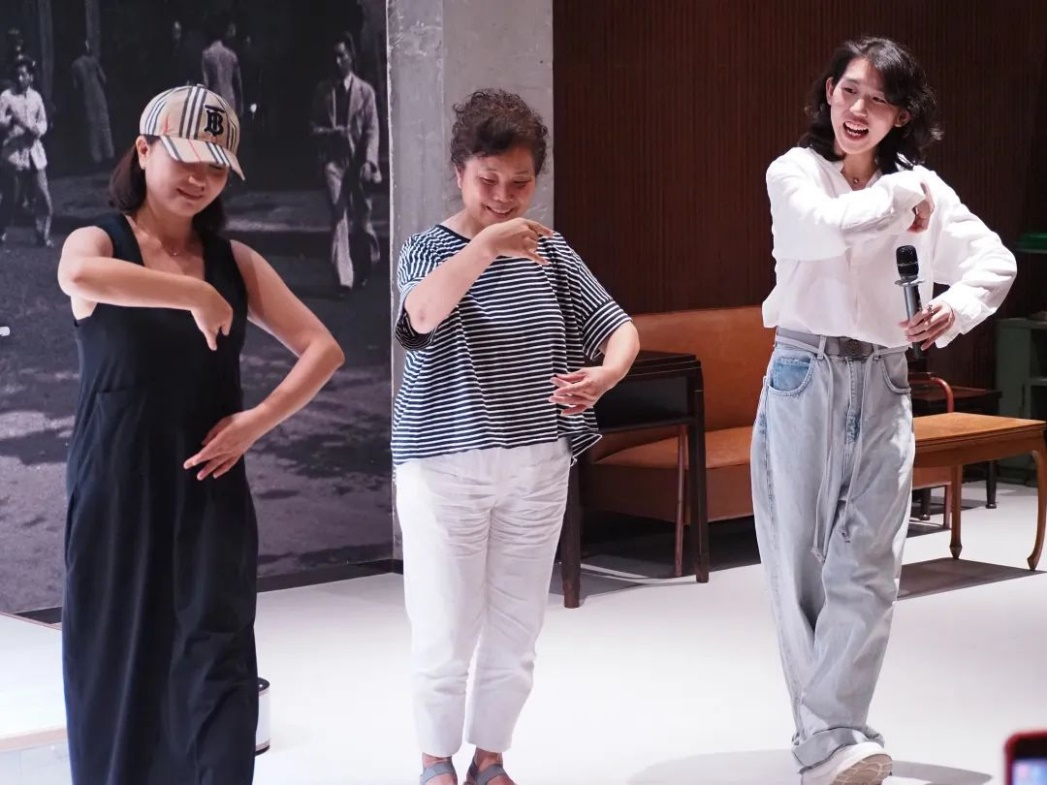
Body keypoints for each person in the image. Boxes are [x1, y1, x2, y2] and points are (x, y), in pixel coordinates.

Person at [57, 84, 345, 785]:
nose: (199, 178)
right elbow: (77, 274)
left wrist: (256, 422)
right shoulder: (102, 240)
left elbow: (323, 349)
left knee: (216, 665)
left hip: (210, 493)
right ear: (143, 150)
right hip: (118, 490)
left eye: (215, 167)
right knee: (118, 663)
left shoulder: (234, 260)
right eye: (185, 159)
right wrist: (191, 292)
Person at [752, 36, 1016, 785]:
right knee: (801, 565)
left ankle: (829, 738)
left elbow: (994, 261)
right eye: (847, 91)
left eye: (877, 98)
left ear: (901, 114)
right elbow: (821, 227)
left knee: (868, 566)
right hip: (804, 371)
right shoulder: (795, 171)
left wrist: (955, 307)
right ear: (827, 94)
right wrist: (902, 198)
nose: (857, 108)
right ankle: (831, 738)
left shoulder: (924, 187)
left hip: (884, 378)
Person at [393, 89, 639, 785]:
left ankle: (490, 758)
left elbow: (619, 326)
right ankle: (434, 761)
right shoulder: (429, 248)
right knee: (444, 626)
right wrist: (484, 247)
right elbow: (419, 318)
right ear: (459, 173)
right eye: (488, 179)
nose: (504, 197)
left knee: (516, 624)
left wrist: (605, 374)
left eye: (520, 182)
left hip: (537, 462)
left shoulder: (550, 250)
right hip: (444, 463)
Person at [310, 31, 380, 293]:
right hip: (334, 164)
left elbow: (372, 130)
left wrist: (369, 162)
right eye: (334, 57)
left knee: (362, 220)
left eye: (342, 55)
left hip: (358, 163)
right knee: (339, 216)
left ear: (351, 56)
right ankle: (344, 279)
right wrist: (331, 133)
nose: (337, 61)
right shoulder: (323, 91)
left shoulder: (366, 92)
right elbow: (313, 127)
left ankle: (367, 262)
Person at [0, 55, 53, 247]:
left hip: (34, 153)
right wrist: (9, 121)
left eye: (24, 74)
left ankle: (42, 234)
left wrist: (38, 130)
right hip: (13, 154)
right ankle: (1, 229)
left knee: (42, 194)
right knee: (12, 197)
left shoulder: (36, 97)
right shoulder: (6, 97)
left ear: (31, 76)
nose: (20, 78)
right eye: (17, 74)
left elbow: (43, 120)